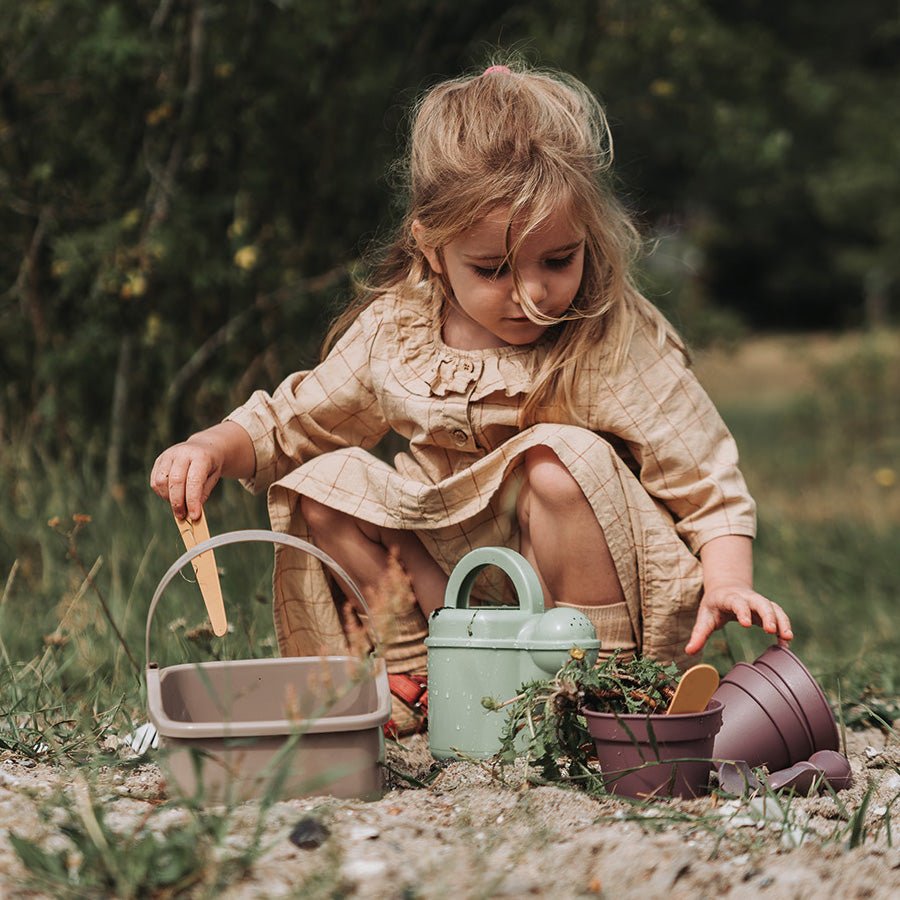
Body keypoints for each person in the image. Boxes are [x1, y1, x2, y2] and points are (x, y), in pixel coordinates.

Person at [151, 62, 792, 734]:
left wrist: (726, 579)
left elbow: (703, 474)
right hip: (449, 577)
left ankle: (600, 688)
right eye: (491, 269)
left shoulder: (602, 331)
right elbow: (297, 421)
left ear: (589, 239)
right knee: (320, 482)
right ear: (431, 247)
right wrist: (212, 448)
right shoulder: (401, 328)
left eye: (557, 260)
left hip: (572, 583)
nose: (532, 295)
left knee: (556, 460)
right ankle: (419, 673)